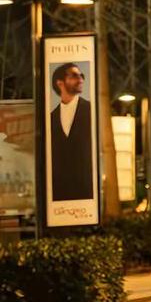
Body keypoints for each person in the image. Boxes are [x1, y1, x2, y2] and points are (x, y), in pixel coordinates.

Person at [48, 61, 94, 204]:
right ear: (60, 83)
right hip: (59, 195)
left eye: (81, 76)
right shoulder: (51, 118)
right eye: (74, 76)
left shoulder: (91, 110)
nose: (80, 80)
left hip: (87, 193)